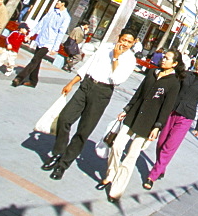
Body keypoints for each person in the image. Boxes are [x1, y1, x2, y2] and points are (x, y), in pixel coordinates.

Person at [42, 29, 137, 181]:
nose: (124, 43)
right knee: (65, 119)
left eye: (128, 42)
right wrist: (71, 83)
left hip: (102, 92)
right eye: (123, 39)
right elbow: (88, 66)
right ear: (119, 37)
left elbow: (117, 78)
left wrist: (116, 58)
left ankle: (63, 165)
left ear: (133, 43)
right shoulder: (105, 47)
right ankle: (58, 153)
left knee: (83, 131)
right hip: (86, 85)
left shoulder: (130, 60)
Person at [99, 49, 183, 200]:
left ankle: (116, 190)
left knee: (131, 156)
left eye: (168, 58)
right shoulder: (152, 73)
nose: (164, 59)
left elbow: (166, 108)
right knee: (117, 145)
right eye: (164, 57)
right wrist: (127, 109)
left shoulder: (174, 83)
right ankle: (111, 174)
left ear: (175, 64)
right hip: (133, 116)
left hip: (148, 123)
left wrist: (158, 126)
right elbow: (138, 94)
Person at [145, 58, 198, 189]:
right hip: (171, 111)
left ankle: (152, 176)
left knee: (169, 146)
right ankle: (162, 167)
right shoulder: (186, 74)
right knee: (161, 142)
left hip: (186, 117)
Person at [13, 0, 70, 88]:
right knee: (37, 61)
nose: (56, 3)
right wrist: (30, 35)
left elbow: (61, 33)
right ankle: (33, 81)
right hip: (41, 39)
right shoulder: (52, 12)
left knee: (35, 60)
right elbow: (41, 23)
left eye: (58, 2)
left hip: (49, 42)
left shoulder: (66, 17)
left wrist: (55, 48)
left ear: (63, 4)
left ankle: (19, 78)